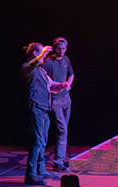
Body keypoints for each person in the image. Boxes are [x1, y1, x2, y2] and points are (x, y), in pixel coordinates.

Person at [20, 42, 65, 185]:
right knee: (37, 142)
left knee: (42, 141)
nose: (44, 57)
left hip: (44, 109)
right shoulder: (27, 68)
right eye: (42, 54)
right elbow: (31, 64)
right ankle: (31, 175)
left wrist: (61, 85)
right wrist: (42, 52)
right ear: (35, 54)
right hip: (36, 108)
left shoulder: (41, 70)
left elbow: (50, 84)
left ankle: (40, 170)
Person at [43, 37, 74, 173]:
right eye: (59, 48)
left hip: (66, 99)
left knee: (63, 131)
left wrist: (68, 85)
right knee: (62, 131)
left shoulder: (66, 59)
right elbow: (43, 78)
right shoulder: (49, 62)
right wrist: (54, 87)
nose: (61, 51)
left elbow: (71, 74)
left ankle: (58, 160)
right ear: (55, 48)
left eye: (63, 48)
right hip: (55, 100)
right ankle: (58, 162)